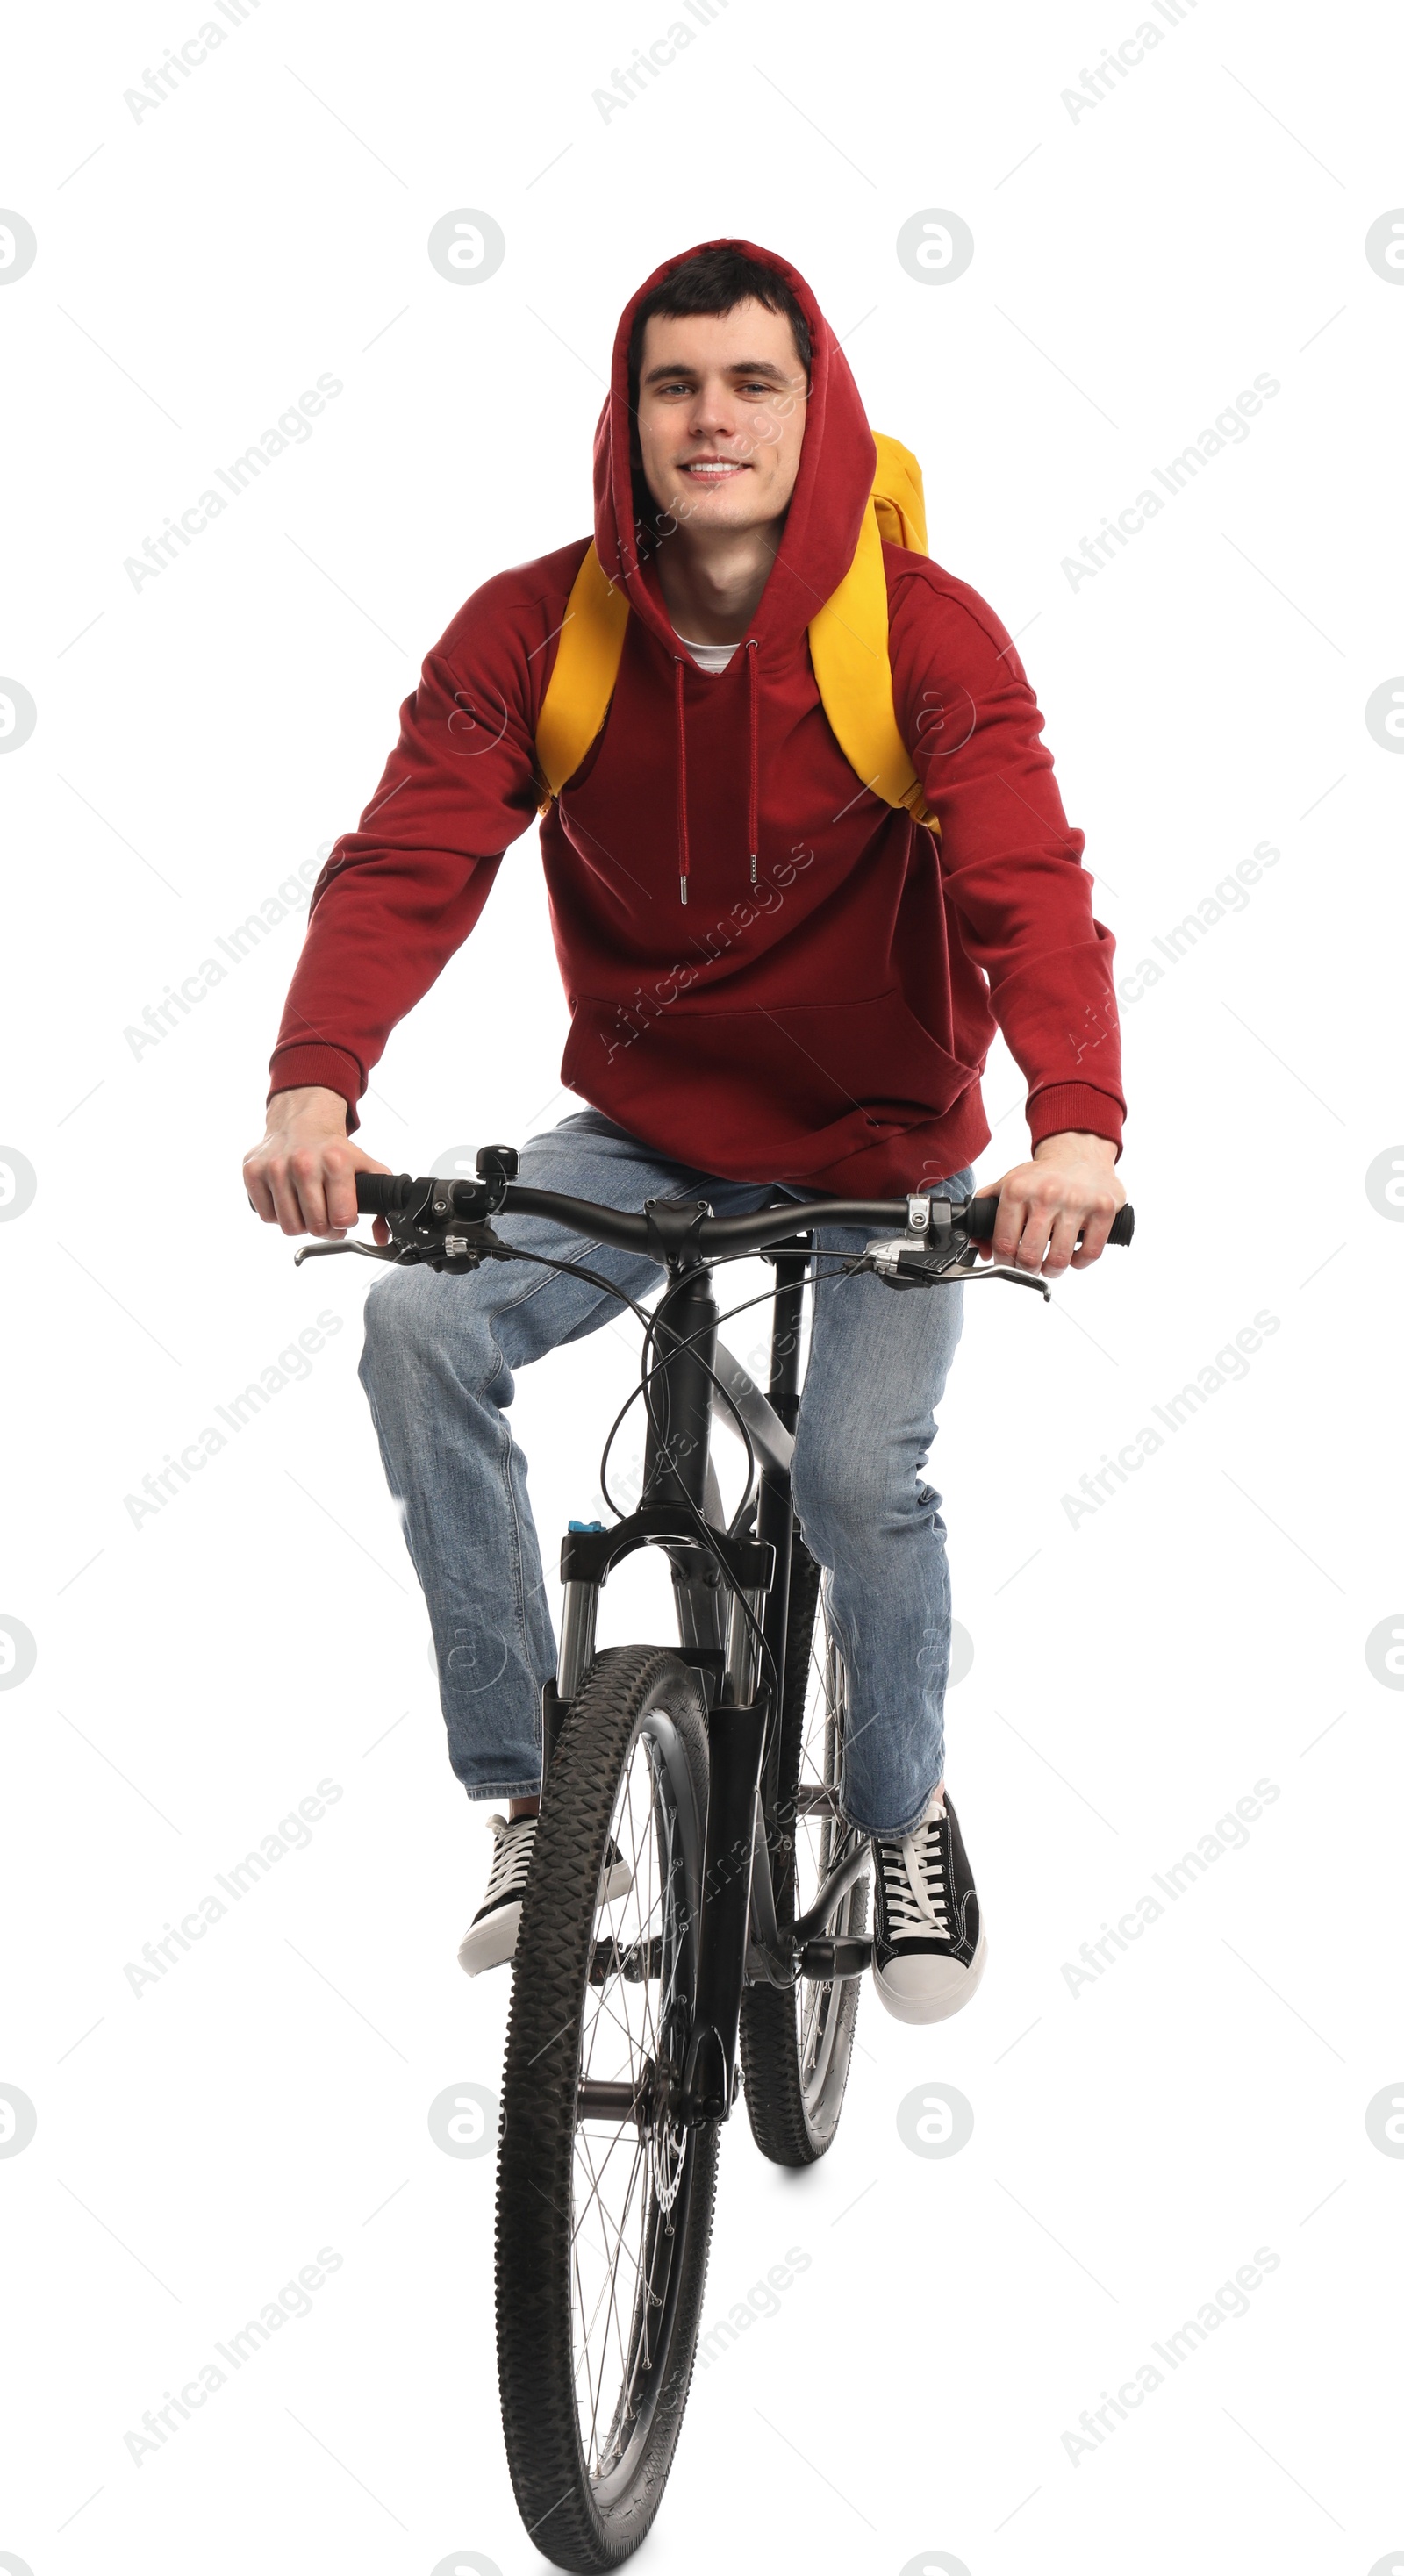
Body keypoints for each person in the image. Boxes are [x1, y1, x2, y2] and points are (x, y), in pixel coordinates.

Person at [243, 237, 1127, 2025]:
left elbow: (1027, 891)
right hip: (640, 1131)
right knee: (412, 1323)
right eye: (672, 384)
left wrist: (1075, 1134)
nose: (708, 417)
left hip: (882, 1146)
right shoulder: (535, 631)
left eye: (750, 382)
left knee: (856, 1479)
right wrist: (313, 1084)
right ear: (627, 415)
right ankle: (529, 1798)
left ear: (817, 410)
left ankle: (897, 1815)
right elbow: (408, 860)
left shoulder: (921, 636)